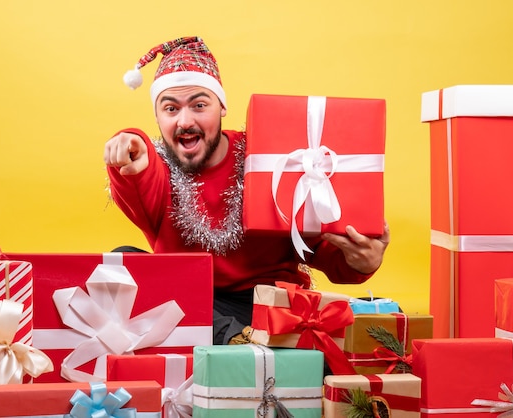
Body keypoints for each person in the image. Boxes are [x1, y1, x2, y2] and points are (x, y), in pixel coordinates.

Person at [104, 36, 390, 346]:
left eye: (199, 105)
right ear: (157, 117)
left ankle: (244, 346)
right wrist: (129, 143)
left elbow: (319, 248)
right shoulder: (157, 168)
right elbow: (139, 175)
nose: (185, 121)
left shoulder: (270, 160)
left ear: (222, 106)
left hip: (264, 306)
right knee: (123, 261)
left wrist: (360, 261)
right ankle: (238, 344)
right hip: (187, 303)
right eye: (170, 109)